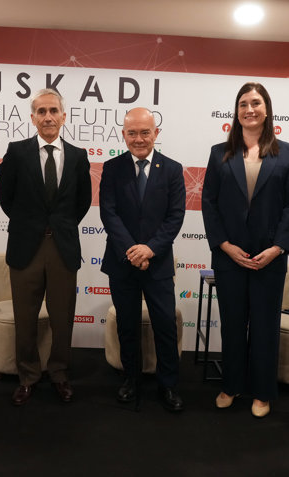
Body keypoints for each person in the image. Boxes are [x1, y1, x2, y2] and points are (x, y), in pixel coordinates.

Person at [201, 82, 289, 418]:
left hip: (268, 258)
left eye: (256, 103)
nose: (249, 109)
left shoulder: (288, 153)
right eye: (243, 104)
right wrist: (224, 245)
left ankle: (262, 392)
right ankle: (231, 385)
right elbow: (209, 203)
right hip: (229, 256)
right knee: (232, 324)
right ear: (236, 111)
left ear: (267, 110)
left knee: (264, 327)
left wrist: (278, 248)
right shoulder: (219, 152)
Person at [0, 88, 91, 405]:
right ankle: (27, 376)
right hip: (26, 246)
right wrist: (30, 224)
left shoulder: (78, 156)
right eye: (41, 111)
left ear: (63, 117)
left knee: (62, 318)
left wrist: (59, 226)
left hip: (63, 247)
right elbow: (6, 198)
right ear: (33, 117)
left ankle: (59, 374)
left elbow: (82, 201)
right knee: (25, 319)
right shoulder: (17, 152)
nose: (48, 117)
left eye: (53, 111)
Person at [100, 107, 186, 412]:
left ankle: (168, 384)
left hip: (157, 263)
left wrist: (149, 250)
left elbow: (175, 216)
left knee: (165, 325)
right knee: (127, 326)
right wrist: (132, 251)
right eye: (132, 133)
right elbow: (109, 213)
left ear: (156, 133)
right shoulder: (111, 168)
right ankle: (130, 380)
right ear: (124, 135)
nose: (139, 139)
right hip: (122, 262)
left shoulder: (172, 169)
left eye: (145, 132)